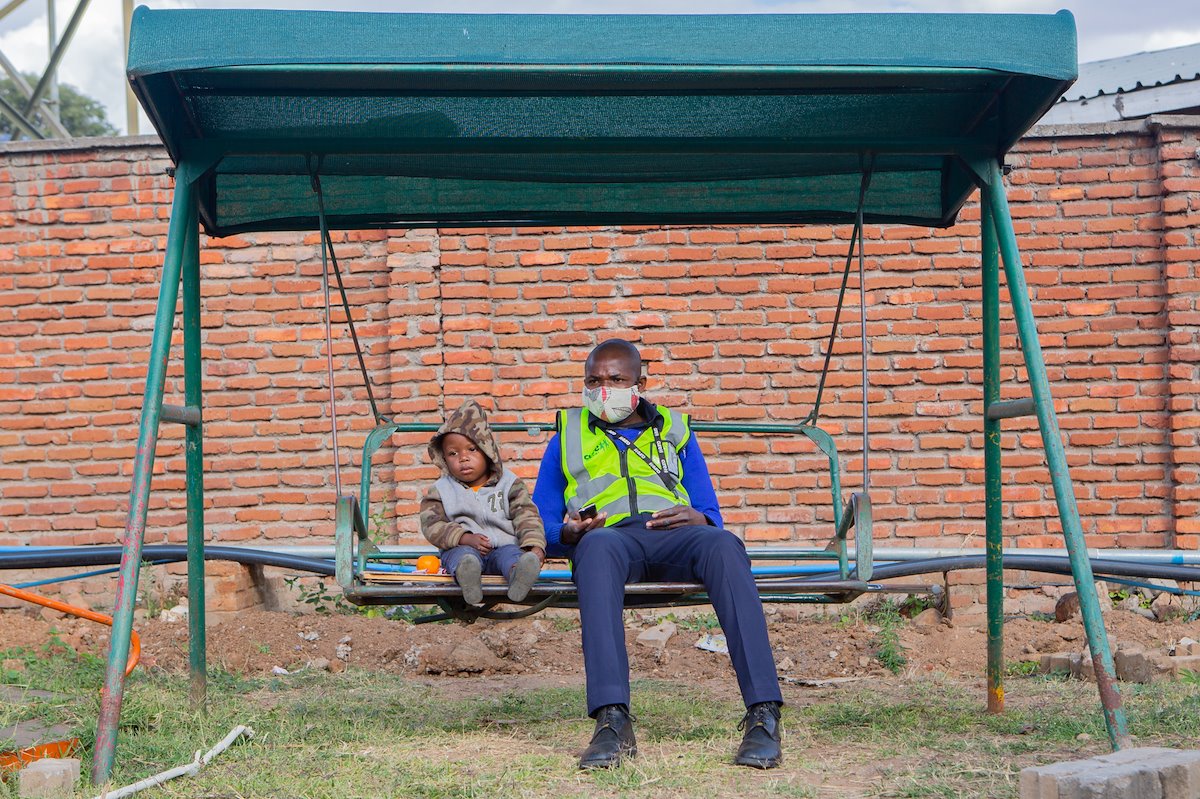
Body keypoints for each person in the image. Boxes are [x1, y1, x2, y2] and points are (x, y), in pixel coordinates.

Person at [532, 339, 783, 770]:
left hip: (675, 535)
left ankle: (764, 716)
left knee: (725, 545)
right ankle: (612, 721)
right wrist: (569, 534)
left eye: (615, 380)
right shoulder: (566, 434)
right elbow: (540, 525)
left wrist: (700, 520)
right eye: (593, 380)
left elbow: (711, 515)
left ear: (639, 384)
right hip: (610, 540)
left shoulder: (676, 430)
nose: (601, 389)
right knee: (596, 548)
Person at [420, 399, 546, 605]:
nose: (463, 458)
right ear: (443, 459)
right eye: (453, 453)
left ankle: (519, 575)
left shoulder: (509, 483)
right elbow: (431, 524)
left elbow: (527, 516)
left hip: (505, 547)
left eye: (472, 450)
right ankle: (467, 578)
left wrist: (535, 546)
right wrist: (463, 538)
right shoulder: (441, 490)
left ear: (488, 452)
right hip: (462, 549)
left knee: (512, 557)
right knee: (462, 558)